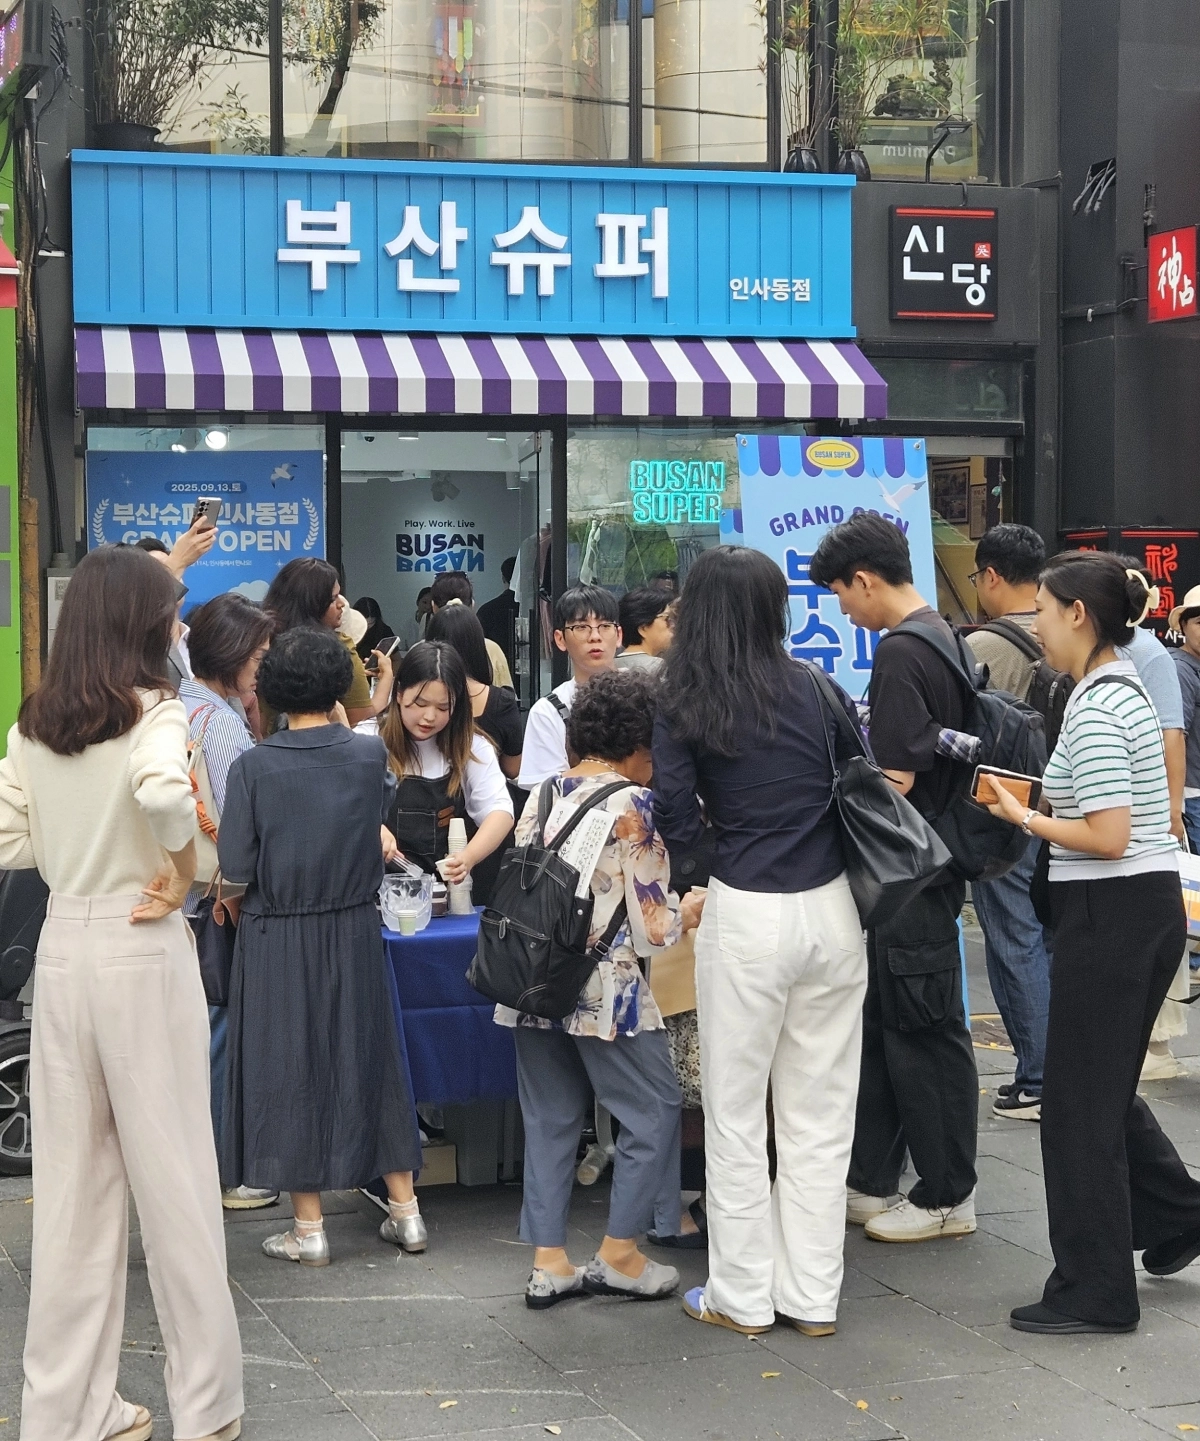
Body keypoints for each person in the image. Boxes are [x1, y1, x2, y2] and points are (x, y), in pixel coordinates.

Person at [0, 545, 243, 1441]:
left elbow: (8, 837)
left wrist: (74, 846)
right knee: (177, 1179)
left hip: (65, 944)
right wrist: (178, 869)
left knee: (72, 1196)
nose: (178, 626)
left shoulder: (36, 722)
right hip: (143, 941)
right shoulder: (157, 712)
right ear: (142, 624)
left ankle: (67, 1410)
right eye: (169, 612)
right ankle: (206, 1406)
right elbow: (168, 798)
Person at [983, 551, 1200, 1334]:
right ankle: (1176, 1215)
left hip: (1114, 912)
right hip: (1127, 911)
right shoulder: (1113, 687)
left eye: (1043, 608)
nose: (1035, 622)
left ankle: (1096, 1288)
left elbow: (1107, 835)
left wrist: (1025, 816)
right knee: (1097, 1094)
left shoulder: (1101, 703)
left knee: (1078, 1108)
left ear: (1079, 614)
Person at [654, 546, 869, 1337]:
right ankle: (812, 1297)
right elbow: (859, 776)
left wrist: (698, 873)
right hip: (833, 907)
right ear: (776, 607)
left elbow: (673, 807)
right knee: (820, 1114)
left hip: (745, 905)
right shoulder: (815, 684)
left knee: (737, 1112)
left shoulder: (685, 695)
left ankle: (741, 1295)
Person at [218, 626, 426, 1265]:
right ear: (338, 683)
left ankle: (309, 1230)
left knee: (288, 1068)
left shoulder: (255, 766)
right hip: (355, 927)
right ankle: (407, 1214)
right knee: (373, 1059)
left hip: (278, 934)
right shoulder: (367, 756)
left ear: (273, 687)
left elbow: (236, 865)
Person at [497, 670, 702, 1309]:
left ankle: (549, 1261)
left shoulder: (542, 793)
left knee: (550, 1118)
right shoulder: (634, 806)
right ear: (640, 742)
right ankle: (619, 1254)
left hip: (531, 979)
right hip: (602, 988)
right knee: (654, 1106)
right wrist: (691, 910)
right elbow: (652, 929)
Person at [809, 512, 979, 1244]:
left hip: (911, 871)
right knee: (889, 1022)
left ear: (865, 579)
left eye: (840, 594)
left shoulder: (902, 652)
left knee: (922, 1027)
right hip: (928, 867)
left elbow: (898, 778)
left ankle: (946, 1194)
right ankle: (871, 1179)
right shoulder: (944, 635)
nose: (843, 610)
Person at [179, 592, 279, 1211]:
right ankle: (222, 1171)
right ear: (232, 653)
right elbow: (238, 827)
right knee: (219, 1034)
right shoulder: (219, 724)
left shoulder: (183, 704)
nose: (263, 667)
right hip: (219, 902)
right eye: (258, 656)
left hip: (185, 897)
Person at [964, 524, 1053, 1122]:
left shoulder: (984, 648)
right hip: (1066, 812)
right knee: (1047, 939)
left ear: (991, 576)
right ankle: (1056, 1069)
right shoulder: (1068, 632)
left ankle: (1039, 1077)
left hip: (1006, 816)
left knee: (1014, 940)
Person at [380, 641, 515, 892]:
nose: (430, 717)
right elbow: (342, 806)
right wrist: (372, 827)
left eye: (443, 707)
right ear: (399, 693)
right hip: (380, 895)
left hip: (444, 894)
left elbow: (500, 811)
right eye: (420, 704)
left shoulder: (471, 747)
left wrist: (468, 857)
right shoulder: (370, 742)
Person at [263, 557, 394, 729]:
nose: (341, 604)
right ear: (312, 604)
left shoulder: (263, 642)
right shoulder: (338, 649)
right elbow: (361, 719)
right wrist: (387, 678)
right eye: (333, 598)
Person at [517, 584, 622, 790]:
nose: (595, 636)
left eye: (604, 626)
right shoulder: (548, 711)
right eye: (581, 627)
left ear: (618, 635)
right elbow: (547, 792)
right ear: (560, 639)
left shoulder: (645, 697)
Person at [427, 602, 523, 780]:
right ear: (478, 646)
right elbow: (513, 769)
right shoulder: (502, 702)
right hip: (487, 795)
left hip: (428, 794)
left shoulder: (417, 698)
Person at [429, 573, 515, 689]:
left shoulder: (420, 651)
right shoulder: (491, 649)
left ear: (433, 606)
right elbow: (506, 695)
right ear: (472, 604)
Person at [1170, 583, 1200, 853]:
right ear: (1182, 626)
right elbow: (1175, 737)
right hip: (1192, 798)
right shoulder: (1181, 670)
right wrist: (1175, 807)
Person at [476, 556, 520, 677]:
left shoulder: (486, 610)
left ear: (503, 578)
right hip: (534, 673)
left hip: (496, 675)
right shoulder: (537, 609)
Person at [616, 586, 675, 672]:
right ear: (643, 628)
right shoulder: (659, 668)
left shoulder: (610, 666)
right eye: (666, 618)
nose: (672, 625)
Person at [353, 595, 396, 663]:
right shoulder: (348, 632)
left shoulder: (384, 631)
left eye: (372, 619)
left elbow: (396, 659)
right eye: (365, 620)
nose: (369, 621)